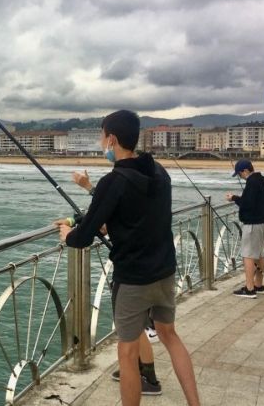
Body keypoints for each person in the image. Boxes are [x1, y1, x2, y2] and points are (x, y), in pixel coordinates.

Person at [56, 110, 200, 406]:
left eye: (101, 136)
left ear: (111, 139)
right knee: (170, 335)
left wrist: (66, 233)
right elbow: (139, 213)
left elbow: (83, 237)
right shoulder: (159, 171)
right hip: (165, 271)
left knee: (127, 352)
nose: (101, 142)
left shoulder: (115, 180)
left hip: (134, 278)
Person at [71, 169, 161, 396]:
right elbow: (124, 213)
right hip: (151, 266)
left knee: (133, 327)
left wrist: (70, 233)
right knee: (135, 325)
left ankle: (147, 377)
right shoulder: (150, 180)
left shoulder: (123, 180)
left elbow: (110, 207)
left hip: (132, 270)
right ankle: (138, 370)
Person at [226, 159, 264, 299]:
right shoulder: (260, 180)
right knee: (259, 254)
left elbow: (248, 204)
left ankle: (249, 289)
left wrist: (234, 198)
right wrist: (238, 198)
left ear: (245, 171)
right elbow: (253, 201)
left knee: (248, 255)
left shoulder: (252, 182)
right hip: (263, 221)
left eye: (239, 174)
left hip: (253, 223)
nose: (240, 177)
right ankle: (258, 285)